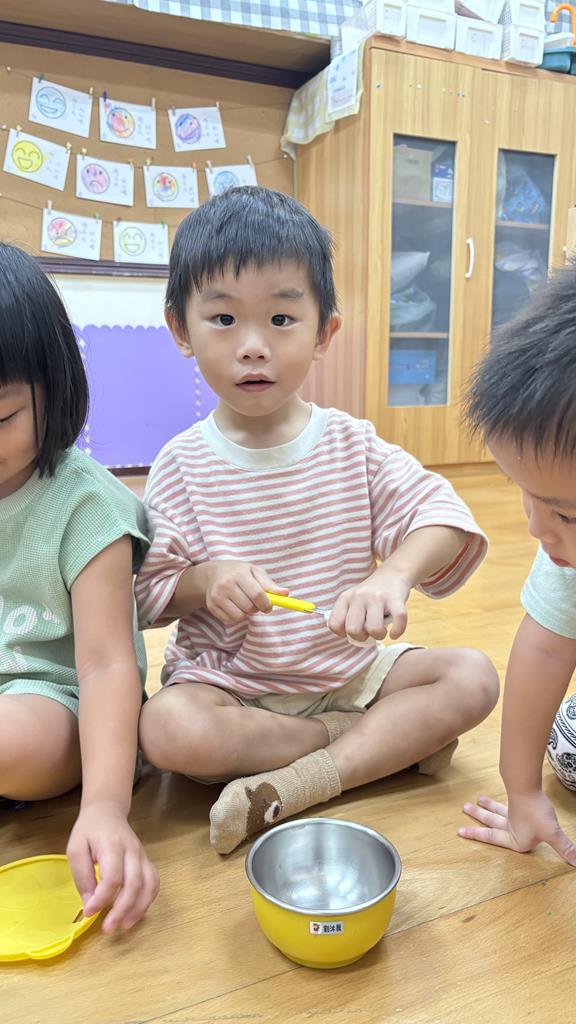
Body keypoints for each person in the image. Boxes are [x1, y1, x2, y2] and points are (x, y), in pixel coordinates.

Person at [135, 186, 499, 855]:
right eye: (223, 319)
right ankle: (360, 747)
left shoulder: (351, 444)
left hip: (348, 676)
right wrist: (204, 581)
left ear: (324, 332)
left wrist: (392, 576)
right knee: (167, 729)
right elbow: (148, 593)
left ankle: (302, 782)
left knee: (473, 676)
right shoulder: (180, 465)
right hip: (233, 692)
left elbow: (443, 516)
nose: (253, 347)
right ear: (181, 330)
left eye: (281, 318)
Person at [0, 244, 158, 931]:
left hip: (59, 707)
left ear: (53, 387)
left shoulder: (87, 504)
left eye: (0, 418)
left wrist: (105, 808)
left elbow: (105, 666)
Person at [459, 265, 576, 866]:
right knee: (569, 753)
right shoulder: (564, 554)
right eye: (525, 494)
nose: (536, 528)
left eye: (566, 515)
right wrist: (523, 791)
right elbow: (545, 650)